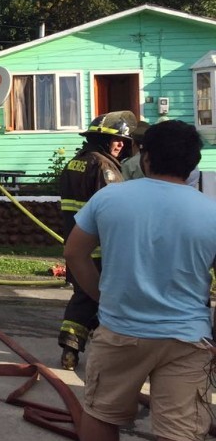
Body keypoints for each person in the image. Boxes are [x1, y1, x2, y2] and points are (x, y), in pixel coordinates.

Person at [63, 119, 216, 441]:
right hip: (186, 339)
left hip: (120, 330)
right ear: (192, 164)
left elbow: (74, 253)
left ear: (145, 157)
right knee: (179, 435)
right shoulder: (210, 213)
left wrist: (101, 296)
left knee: (101, 416)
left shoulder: (111, 198)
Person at [57, 110, 134, 371]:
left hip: (75, 244)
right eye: (116, 139)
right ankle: (87, 351)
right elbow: (114, 209)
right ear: (100, 139)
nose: (121, 144)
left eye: (124, 141)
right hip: (100, 248)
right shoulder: (105, 167)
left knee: (83, 295)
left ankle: (71, 348)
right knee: (98, 297)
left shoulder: (74, 163)